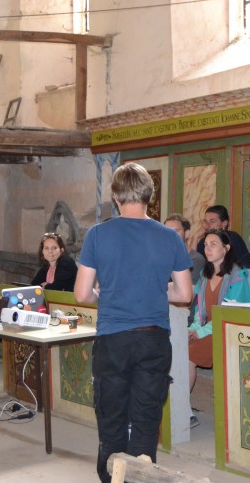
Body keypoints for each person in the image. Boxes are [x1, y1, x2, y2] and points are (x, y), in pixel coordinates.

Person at [74, 162, 192, 482]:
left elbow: (82, 293)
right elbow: (184, 294)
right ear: (150, 195)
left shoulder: (98, 234)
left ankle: (112, 477)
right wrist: (154, 288)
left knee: (112, 420)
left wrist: (102, 293)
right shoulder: (170, 237)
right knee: (145, 420)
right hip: (153, 340)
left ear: (115, 196)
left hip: (113, 340)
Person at [188, 229, 250, 427]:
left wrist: (200, 332)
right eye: (206, 245)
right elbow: (199, 310)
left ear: (226, 248)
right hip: (207, 331)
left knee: (187, 355)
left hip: (227, 332)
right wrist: (193, 328)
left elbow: (229, 314)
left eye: (213, 244)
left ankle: (183, 410)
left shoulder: (238, 276)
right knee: (176, 344)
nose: (208, 248)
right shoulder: (204, 275)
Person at [164, 213, 205, 285]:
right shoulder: (162, 257)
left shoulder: (195, 259)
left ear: (187, 234)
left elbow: (187, 288)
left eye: (175, 231)